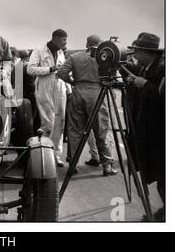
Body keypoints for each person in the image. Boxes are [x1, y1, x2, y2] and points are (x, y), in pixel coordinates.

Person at [57, 35, 117, 176]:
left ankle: (73, 164)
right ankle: (107, 166)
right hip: (97, 94)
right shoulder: (104, 57)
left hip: (78, 92)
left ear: (87, 43)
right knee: (101, 131)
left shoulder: (76, 56)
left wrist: (73, 82)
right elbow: (112, 77)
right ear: (100, 44)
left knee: (75, 131)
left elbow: (61, 72)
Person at [127, 33, 165, 221]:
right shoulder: (146, 68)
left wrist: (146, 86)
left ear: (146, 52)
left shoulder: (163, 70)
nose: (135, 55)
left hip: (161, 133)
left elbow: (164, 99)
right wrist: (134, 84)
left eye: (137, 52)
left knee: (164, 176)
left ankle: (164, 215)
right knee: (159, 174)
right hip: (148, 131)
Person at [26, 29, 68, 167]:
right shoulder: (39, 51)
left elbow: (64, 72)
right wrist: (50, 69)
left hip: (60, 87)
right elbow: (30, 69)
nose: (65, 42)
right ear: (55, 39)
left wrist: (69, 89)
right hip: (44, 87)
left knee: (60, 122)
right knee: (48, 123)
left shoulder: (62, 53)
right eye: (63, 40)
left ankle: (55, 155)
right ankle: (43, 155)